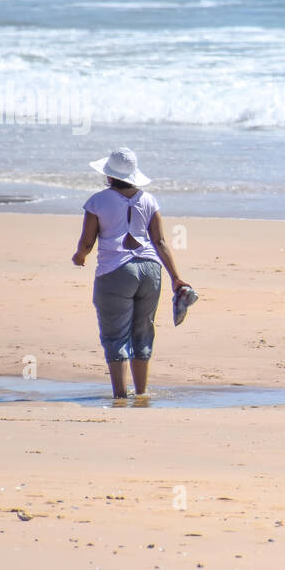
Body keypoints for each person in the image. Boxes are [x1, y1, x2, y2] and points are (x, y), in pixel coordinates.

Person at [71, 147, 191, 398]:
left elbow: (87, 243)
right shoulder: (148, 200)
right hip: (150, 269)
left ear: (109, 176)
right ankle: (142, 392)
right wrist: (175, 277)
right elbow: (160, 243)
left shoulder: (97, 201)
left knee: (115, 334)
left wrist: (79, 257)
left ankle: (120, 395)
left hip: (116, 270)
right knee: (143, 331)